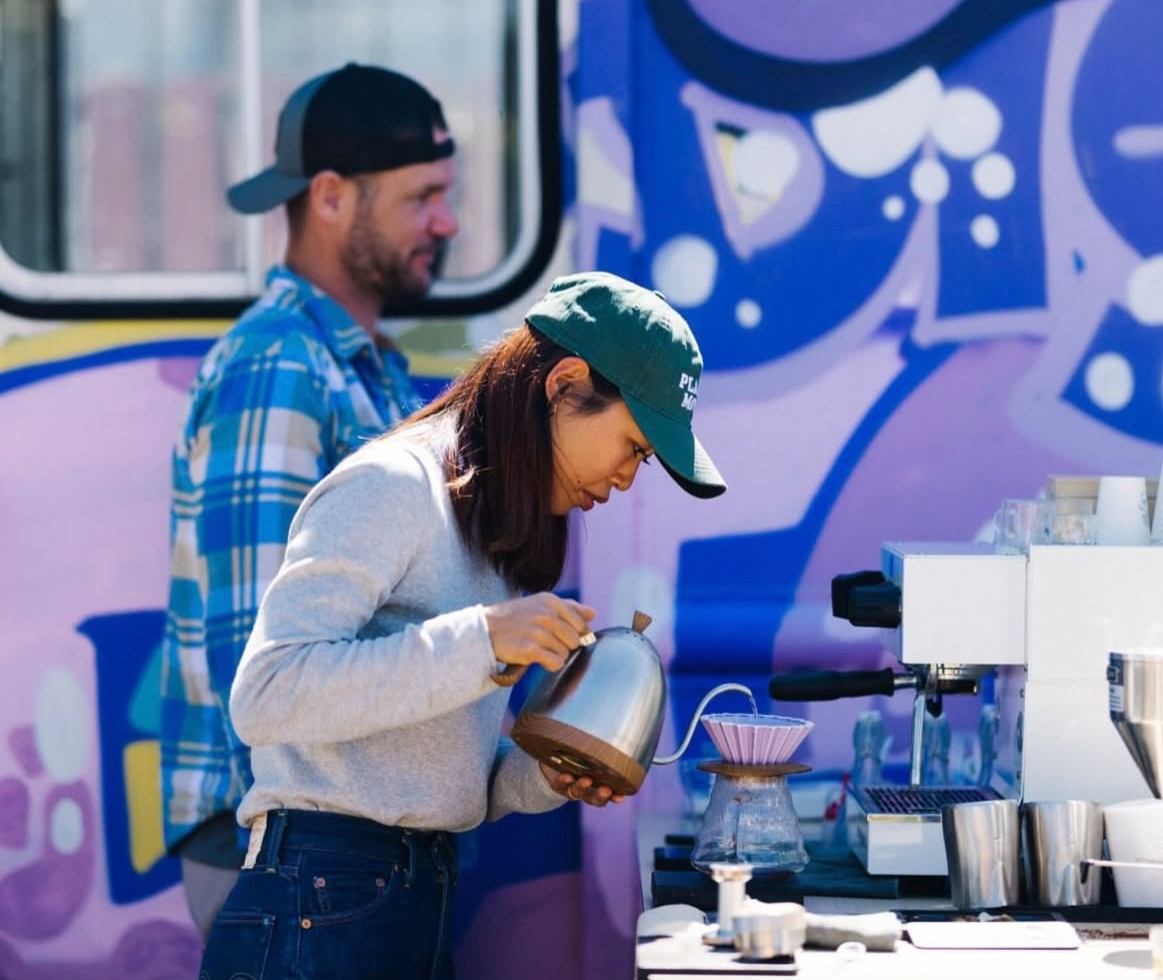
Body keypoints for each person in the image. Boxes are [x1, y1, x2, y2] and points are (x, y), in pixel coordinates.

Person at [197, 271, 727, 980]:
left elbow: (448, 784)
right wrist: (479, 641)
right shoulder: (392, 484)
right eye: (632, 446)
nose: (630, 477)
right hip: (317, 898)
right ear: (565, 385)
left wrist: (547, 775)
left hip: (411, 896)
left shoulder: (494, 528)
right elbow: (264, 695)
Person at [160, 62, 459, 942]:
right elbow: (267, 669)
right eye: (423, 196)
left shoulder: (361, 366)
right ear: (330, 198)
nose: (446, 221)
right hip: (291, 851)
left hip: (345, 853)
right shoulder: (281, 368)